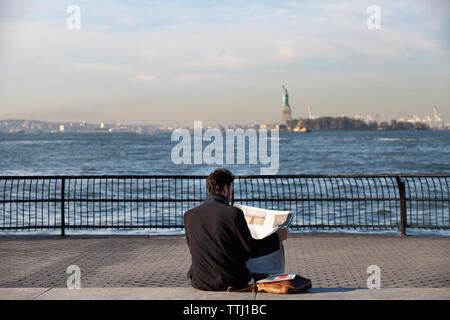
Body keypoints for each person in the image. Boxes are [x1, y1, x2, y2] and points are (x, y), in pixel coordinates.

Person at [184, 168, 288, 291]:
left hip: (200, 281)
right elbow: (251, 250)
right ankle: (264, 282)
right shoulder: (233, 213)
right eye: (231, 189)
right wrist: (277, 237)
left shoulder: (189, 215)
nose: (231, 193)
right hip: (229, 281)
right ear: (225, 189)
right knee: (260, 254)